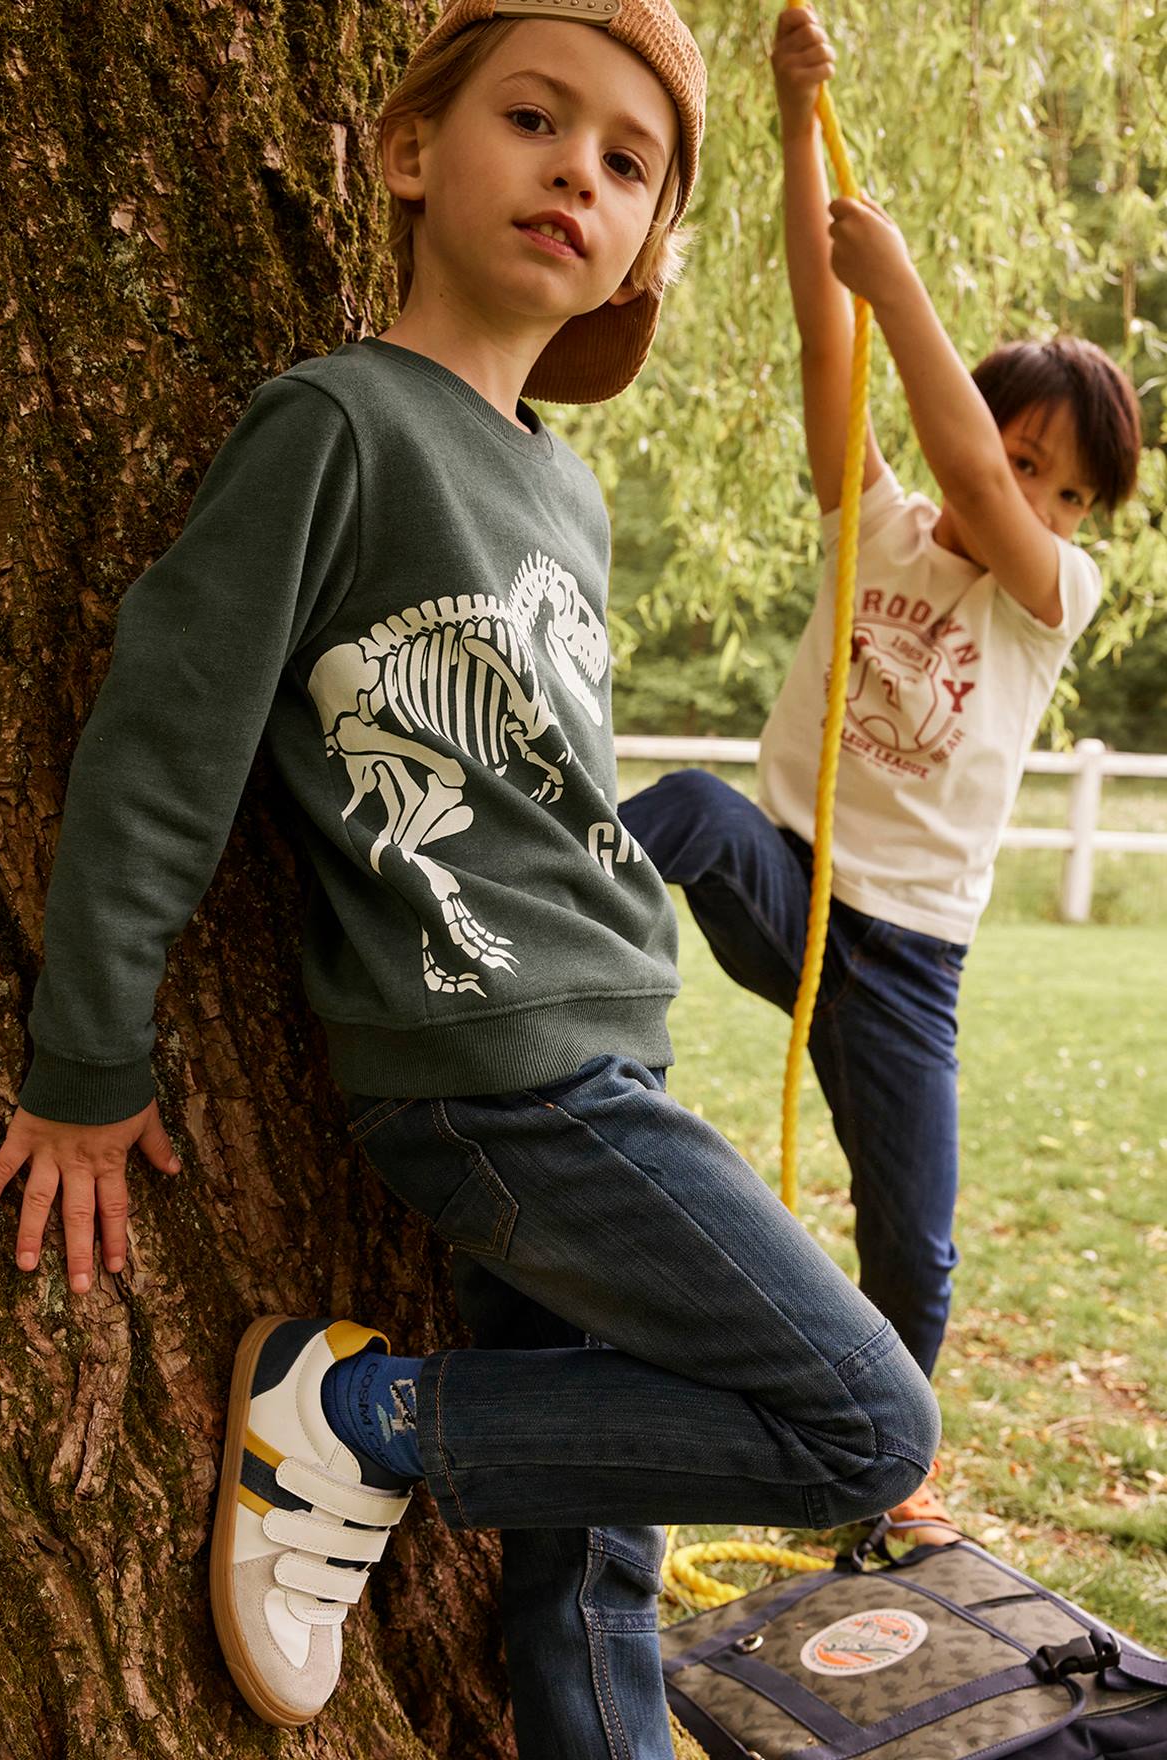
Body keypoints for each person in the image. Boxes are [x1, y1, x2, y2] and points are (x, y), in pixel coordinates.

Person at [0, 3, 939, 1754]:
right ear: (413, 153)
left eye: (627, 162)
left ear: (646, 247)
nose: (578, 166)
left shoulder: (566, 498)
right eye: (534, 118)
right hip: (495, 1078)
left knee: (594, 1569)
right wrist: (87, 1064)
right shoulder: (335, 427)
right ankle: (368, 1421)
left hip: (604, 1056)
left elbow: (554, 794)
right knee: (868, 1428)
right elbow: (163, 743)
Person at [620, 7, 1141, 1546]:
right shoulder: (879, 520)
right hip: (799, 892)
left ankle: (873, 1462)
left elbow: (968, 467)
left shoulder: (1053, 599)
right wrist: (795, 124)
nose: (1026, 494)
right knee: (699, 813)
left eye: (1064, 486)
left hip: (905, 967)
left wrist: (902, 281)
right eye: (1019, 454)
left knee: (912, 1248)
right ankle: (557, 895)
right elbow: (818, 323)